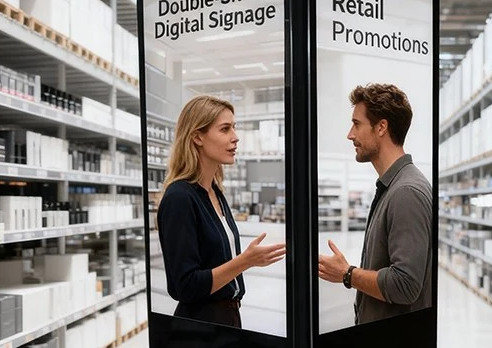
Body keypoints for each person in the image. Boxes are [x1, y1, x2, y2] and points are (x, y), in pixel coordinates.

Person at [156, 95, 286, 327]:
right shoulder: (179, 198)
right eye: (225, 129)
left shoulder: (214, 192)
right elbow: (185, 285)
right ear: (197, 136)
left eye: (234, 128)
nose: (235, 138)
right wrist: (246, 261)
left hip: (228, 318)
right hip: (199, 327)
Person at [318, 83, 433, 324]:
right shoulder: (393, 186)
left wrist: (347, 274)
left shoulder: (406, 192)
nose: (350, 134)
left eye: (357, 124)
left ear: (381, 127)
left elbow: (405, 285)